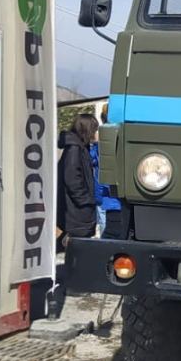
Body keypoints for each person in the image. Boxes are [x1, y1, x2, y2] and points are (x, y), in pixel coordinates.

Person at [57, 111, 99, 251]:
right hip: (77, 210)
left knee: (78, 246)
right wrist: (86, 201)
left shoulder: (81, 147)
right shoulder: (74, 149)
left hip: (78, 208)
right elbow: (72, 179)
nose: (96, 133)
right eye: (94, 130)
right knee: (77, 246)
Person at [93, 103, 122, 236]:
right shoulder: (121, 139)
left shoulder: (99, 146)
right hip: (116, 200)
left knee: (107, 234)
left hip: (107, 199)